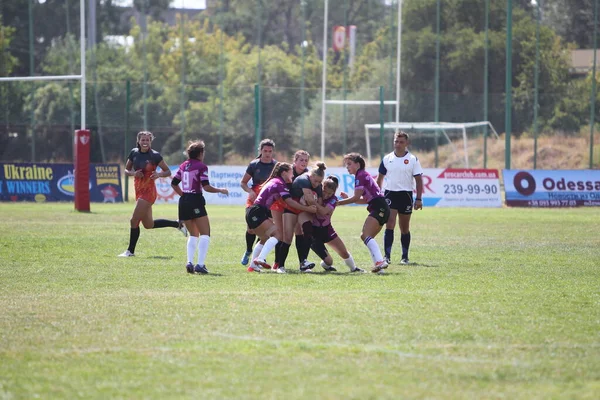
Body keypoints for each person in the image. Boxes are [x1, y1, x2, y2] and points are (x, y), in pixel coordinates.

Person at [118, 131, 187, 257]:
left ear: (150, 142)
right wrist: (134, 173)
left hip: (149, 193)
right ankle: (177, 224)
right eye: (143, 140)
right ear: (138, 141)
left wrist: (159, 174)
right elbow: (127, 170)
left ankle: (130, 251)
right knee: (148, 225)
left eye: (147, 140)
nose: (145, 142)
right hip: (139, 191)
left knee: (134, 221)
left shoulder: (155, 155)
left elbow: (167, 171)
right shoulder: (134, 152)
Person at [246, 162, 317, 274]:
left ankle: (252, 266)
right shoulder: (280, 183)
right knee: (278, 235)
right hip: (257, 211)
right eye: (290, 173)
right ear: (284, 173)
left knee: (264, 238)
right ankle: (260, 259)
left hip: (254, 211)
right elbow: (289, 202)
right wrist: (307, 209)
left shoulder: (275, 181)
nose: (292, 175)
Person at [171, 140, 229, 274]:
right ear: (200, 153)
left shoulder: (183, 165)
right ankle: (200, 265)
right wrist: (220, 190)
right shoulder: (202, 166)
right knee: (205, 233)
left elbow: (174, 183)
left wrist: (184, 196)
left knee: (193, 234)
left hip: (184, 201)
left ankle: (189, 262)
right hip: (195, 200)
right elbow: (206, 187)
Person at [376, 130, 423, 265]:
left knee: (404, 228)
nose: (398, 144)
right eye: (396, 141)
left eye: (401, 142)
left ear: (407, 143)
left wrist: (418, 199)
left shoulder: (413, 159)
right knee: (389, 224)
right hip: (390, 194)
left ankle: (404, 257)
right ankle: (387, 256)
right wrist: (378, 195)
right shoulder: (387, 159)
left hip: (406, 195)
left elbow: (419, 180)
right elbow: (379, 179)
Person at [338, 152, 390, 274]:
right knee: (368, 237)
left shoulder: (360, 175)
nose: (347, 167)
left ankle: (380, 262)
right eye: (346, 164)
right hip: (381, 207)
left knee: (365, 235)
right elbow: (365, 199)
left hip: (379, 207)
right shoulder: (362, 175)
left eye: (349, 164)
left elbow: (356, 198)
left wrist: (339, 203)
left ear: (358, 164)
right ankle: (379, 268)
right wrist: (348, 198)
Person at [310, 175, 366, 273]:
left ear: (334, 192)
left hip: (327, 230)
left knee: (344, 252)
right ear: (321, 187)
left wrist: (314, 203)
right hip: (314, 233)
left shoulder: (333, 199)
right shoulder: (315, 194)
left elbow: (323, 212)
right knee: (329, 262)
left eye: (330, 193)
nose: (326, 195)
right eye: (325, 192)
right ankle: (327, 264)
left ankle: (354, 268)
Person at [280, 162, 326, 273]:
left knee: (307, 230)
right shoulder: (303, 180)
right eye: (315, 181)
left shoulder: (318, 184)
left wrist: (317, 208)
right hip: (292, 208)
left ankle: (303, 263)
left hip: (304, 209)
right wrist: (313, 207)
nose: (317, 184)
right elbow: (310, 200)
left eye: (320, 182)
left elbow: (319, 201)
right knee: (287, 238)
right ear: (311, 176)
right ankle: (280, 266)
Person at [240, 139, 277, 268]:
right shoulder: (254, 164)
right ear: (260, 151)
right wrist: (250, 191)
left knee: (267, 231)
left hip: (269, 201)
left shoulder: (276, 166)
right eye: (265, 151)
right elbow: (243, 182)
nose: (267, 153)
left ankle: (258, 259)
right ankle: (249, 250)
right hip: (254, 200)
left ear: (273, 152)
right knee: (251, 229)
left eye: (270, 151)